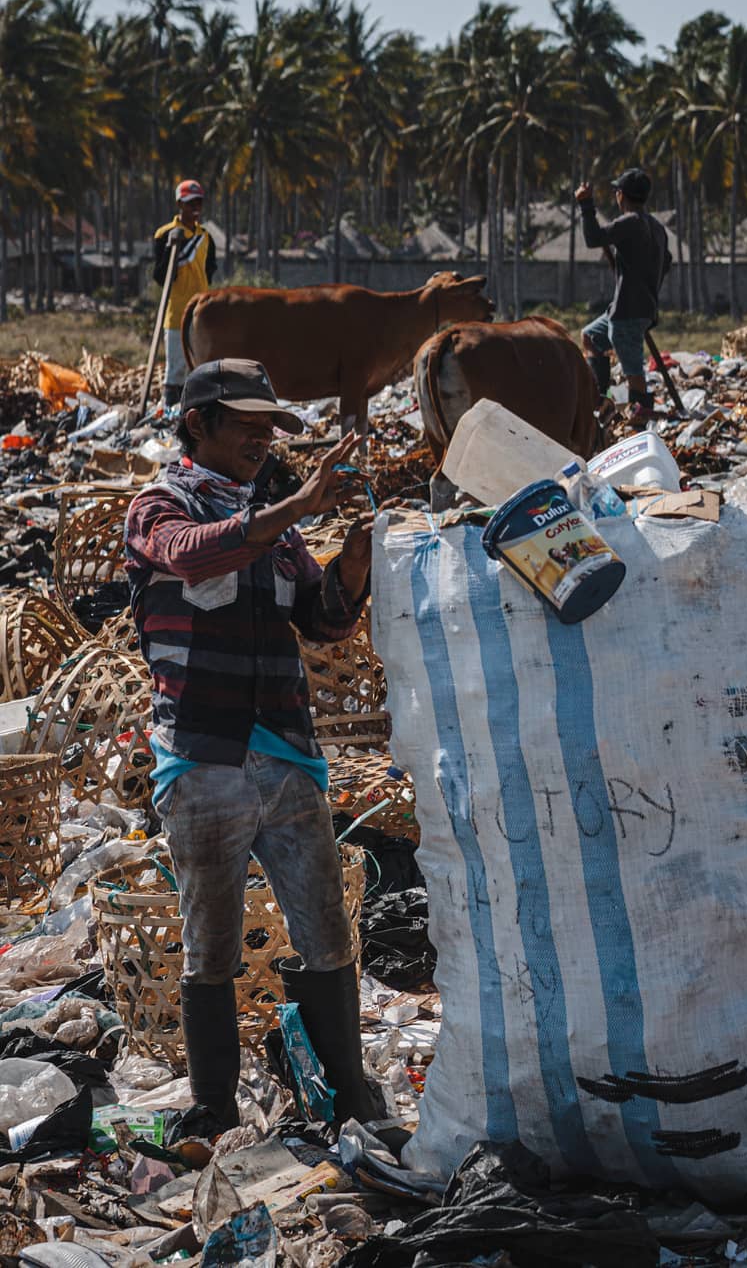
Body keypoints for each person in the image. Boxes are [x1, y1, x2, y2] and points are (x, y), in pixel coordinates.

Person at [124, 358, 380, 1130]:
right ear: (197, 423)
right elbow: (195, 554)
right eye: (248, 425)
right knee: (212, 944)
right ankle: (213, 1109)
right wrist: (294, 505)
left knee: (327, 933)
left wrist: (353, 567)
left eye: (271, 428)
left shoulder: (274, 523)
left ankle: (350, 1096)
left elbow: (322, 618)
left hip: (287, 758)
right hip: (204, 758)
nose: (263, 442)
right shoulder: (157, 508)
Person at [575, 168, 672, 415]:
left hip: (628, 312)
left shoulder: (629, 223)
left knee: (633, 371)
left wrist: (586, 205)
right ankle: (601, 399)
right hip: (636, 309)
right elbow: (667, 262)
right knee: (591, 337)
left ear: (621, 195)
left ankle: (641, 419)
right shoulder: (657, 228)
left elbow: (593, 237)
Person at [153, 180, 217, 409]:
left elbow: (210, 271)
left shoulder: (206, 237)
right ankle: (172, 413)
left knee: (199, 368)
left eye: (199, 203)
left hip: (201, 314)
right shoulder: (164, 234)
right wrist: (174, 249)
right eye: (191, 203)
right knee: (175, 370)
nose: (195, 208)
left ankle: (194, 412)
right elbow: (160, 276)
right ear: (180, 203)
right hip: (177, 312)